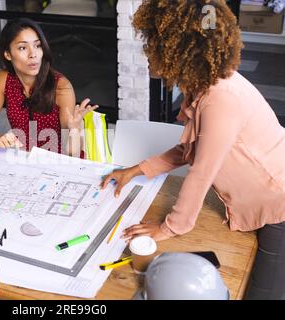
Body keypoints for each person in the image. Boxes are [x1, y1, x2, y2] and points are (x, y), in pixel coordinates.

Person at [101, 0, 285, 299]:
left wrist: (169, 228)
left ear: (179, 49)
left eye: (154, 44)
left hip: (279, 205)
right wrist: (135, 170)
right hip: (261, 199)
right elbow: (189, 150)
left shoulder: (220, 98)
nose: (147, 52)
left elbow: (200, 173)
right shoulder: (202, 86)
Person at [0, 18, 97, 157]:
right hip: (24, 158)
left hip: (57, 162)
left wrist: (74, 129)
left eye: (37, 46)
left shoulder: (62, 87)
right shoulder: (4, 79)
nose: (33, 54)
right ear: (8, 54)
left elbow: (72, 154)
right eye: (22, 47)